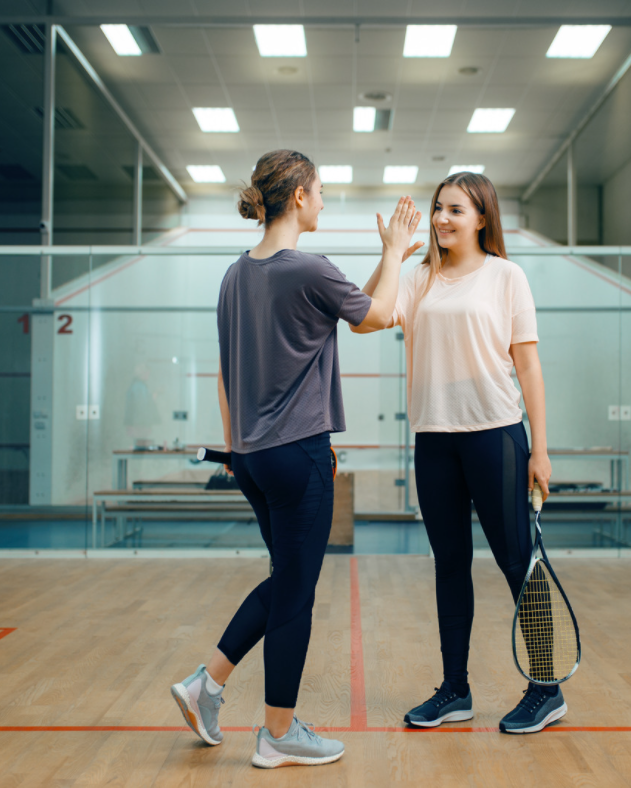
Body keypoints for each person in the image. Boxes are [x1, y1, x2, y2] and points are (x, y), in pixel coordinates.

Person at [169, 149, 422, 768]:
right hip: (297, 455)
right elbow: (380, 316)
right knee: (297, 593)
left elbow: (231, 372)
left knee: (287, 579)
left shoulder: (237, 274)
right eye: (322, 191)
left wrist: (236, 450)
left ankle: (207, 685)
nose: (326, 202)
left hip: (251, 458)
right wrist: (393, 253)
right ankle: (278, 733)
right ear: (301, 196)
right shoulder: (307, 267)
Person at [350, 171, 561, 734]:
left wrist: (540, 449)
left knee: (518, 563)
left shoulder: (506, 276)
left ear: (482, 217)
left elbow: (529, 365)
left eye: (456, 210)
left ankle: (547, 687)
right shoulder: (419, 280)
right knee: (450, 566)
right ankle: (456, 689)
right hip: (434, 441)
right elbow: (367, 318)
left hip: (496, 435)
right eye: (438, 208)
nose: (442, 218)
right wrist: (393, 254)